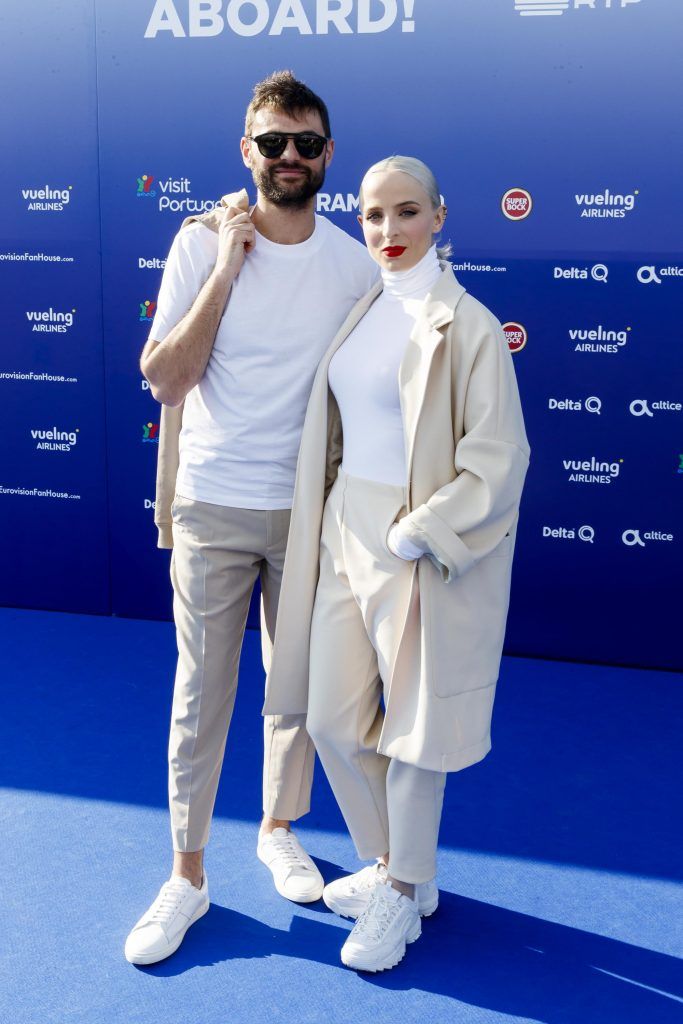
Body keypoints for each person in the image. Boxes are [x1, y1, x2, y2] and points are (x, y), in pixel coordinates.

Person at [124, 71, 378, 966]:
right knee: (201, 697)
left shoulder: (354, 262)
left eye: (306, 143)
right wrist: (230, 264)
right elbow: (164, 375)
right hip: (210, 505)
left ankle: (277, 826)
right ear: (247, 151)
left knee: (295, 692)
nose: (290, 158)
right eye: (273, 142)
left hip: (307, 512)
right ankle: (187, 878)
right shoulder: (199, 242)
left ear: (328, 157)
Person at [264, 156, 530, 973]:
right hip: (344, 524)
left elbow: (500, 457)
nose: (387, 231)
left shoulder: (468, 324)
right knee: (333, 718)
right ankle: (398, 872)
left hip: (415, 540)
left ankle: (403, 886)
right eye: (374, 216)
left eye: (406, 213)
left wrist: (422, 531)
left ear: (438, 218)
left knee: (416, 729)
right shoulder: (367, 305)